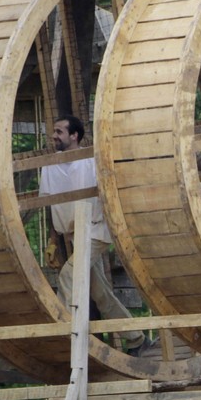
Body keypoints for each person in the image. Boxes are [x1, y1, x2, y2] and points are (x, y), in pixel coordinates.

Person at [40, 115, 150, 353]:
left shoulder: (90, 160)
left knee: (68, 277)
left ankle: (63, 335)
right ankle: (136, 337)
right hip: (75, 234)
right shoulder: (52, 164)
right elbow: (51, 202)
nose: (54, 135)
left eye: (59, 131)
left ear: (74, 136)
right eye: (54, 131)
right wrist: (53, 238)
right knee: (100, 293)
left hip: (95, 230)